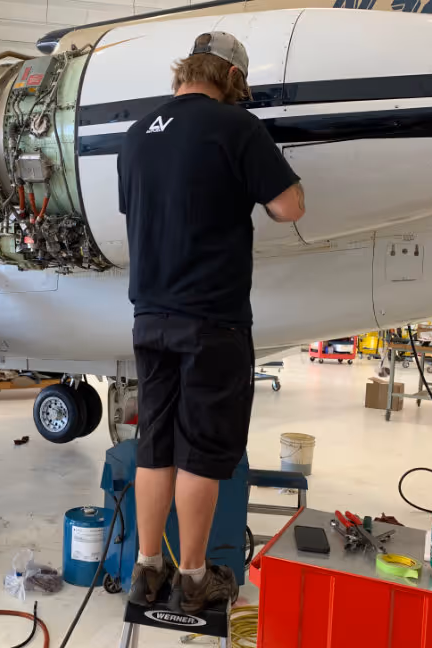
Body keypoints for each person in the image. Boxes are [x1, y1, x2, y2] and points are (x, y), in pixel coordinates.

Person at [117, 32, 305, 612]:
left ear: (184, 73)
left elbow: (138, 208)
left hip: (149, 316)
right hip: (212, 321)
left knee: (156, 445)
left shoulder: (135, 137)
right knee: (200, 452)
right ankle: (193, 580)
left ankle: (148, 572)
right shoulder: (237, 128)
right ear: (233, 81)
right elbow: (289, 205)